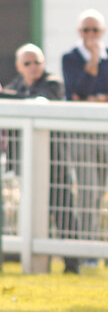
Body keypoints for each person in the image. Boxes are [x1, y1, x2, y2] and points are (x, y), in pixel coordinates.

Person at [2, 44, 79, 273]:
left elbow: (32, 100)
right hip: (26, 162)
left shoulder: (53, 83)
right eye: (27, 63)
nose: (33, 67)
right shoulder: (15, 85)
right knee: (34, 212)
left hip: (54, 162)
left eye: (37, 62)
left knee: (63, 210)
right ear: (19, 66)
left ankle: (72, 265)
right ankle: (39, 264)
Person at [62, 9, 108, 241]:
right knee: (87, 189)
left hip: (106, 129)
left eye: (95, 30)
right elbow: (76, 91)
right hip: (81, 131)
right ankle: (84, 243)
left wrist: (103, 98)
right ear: (79, 31)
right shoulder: (70, 58)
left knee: (99, 189)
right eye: (86, 30)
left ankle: (89, 240)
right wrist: (92, 62)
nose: (90, 34)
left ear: (102, 31)